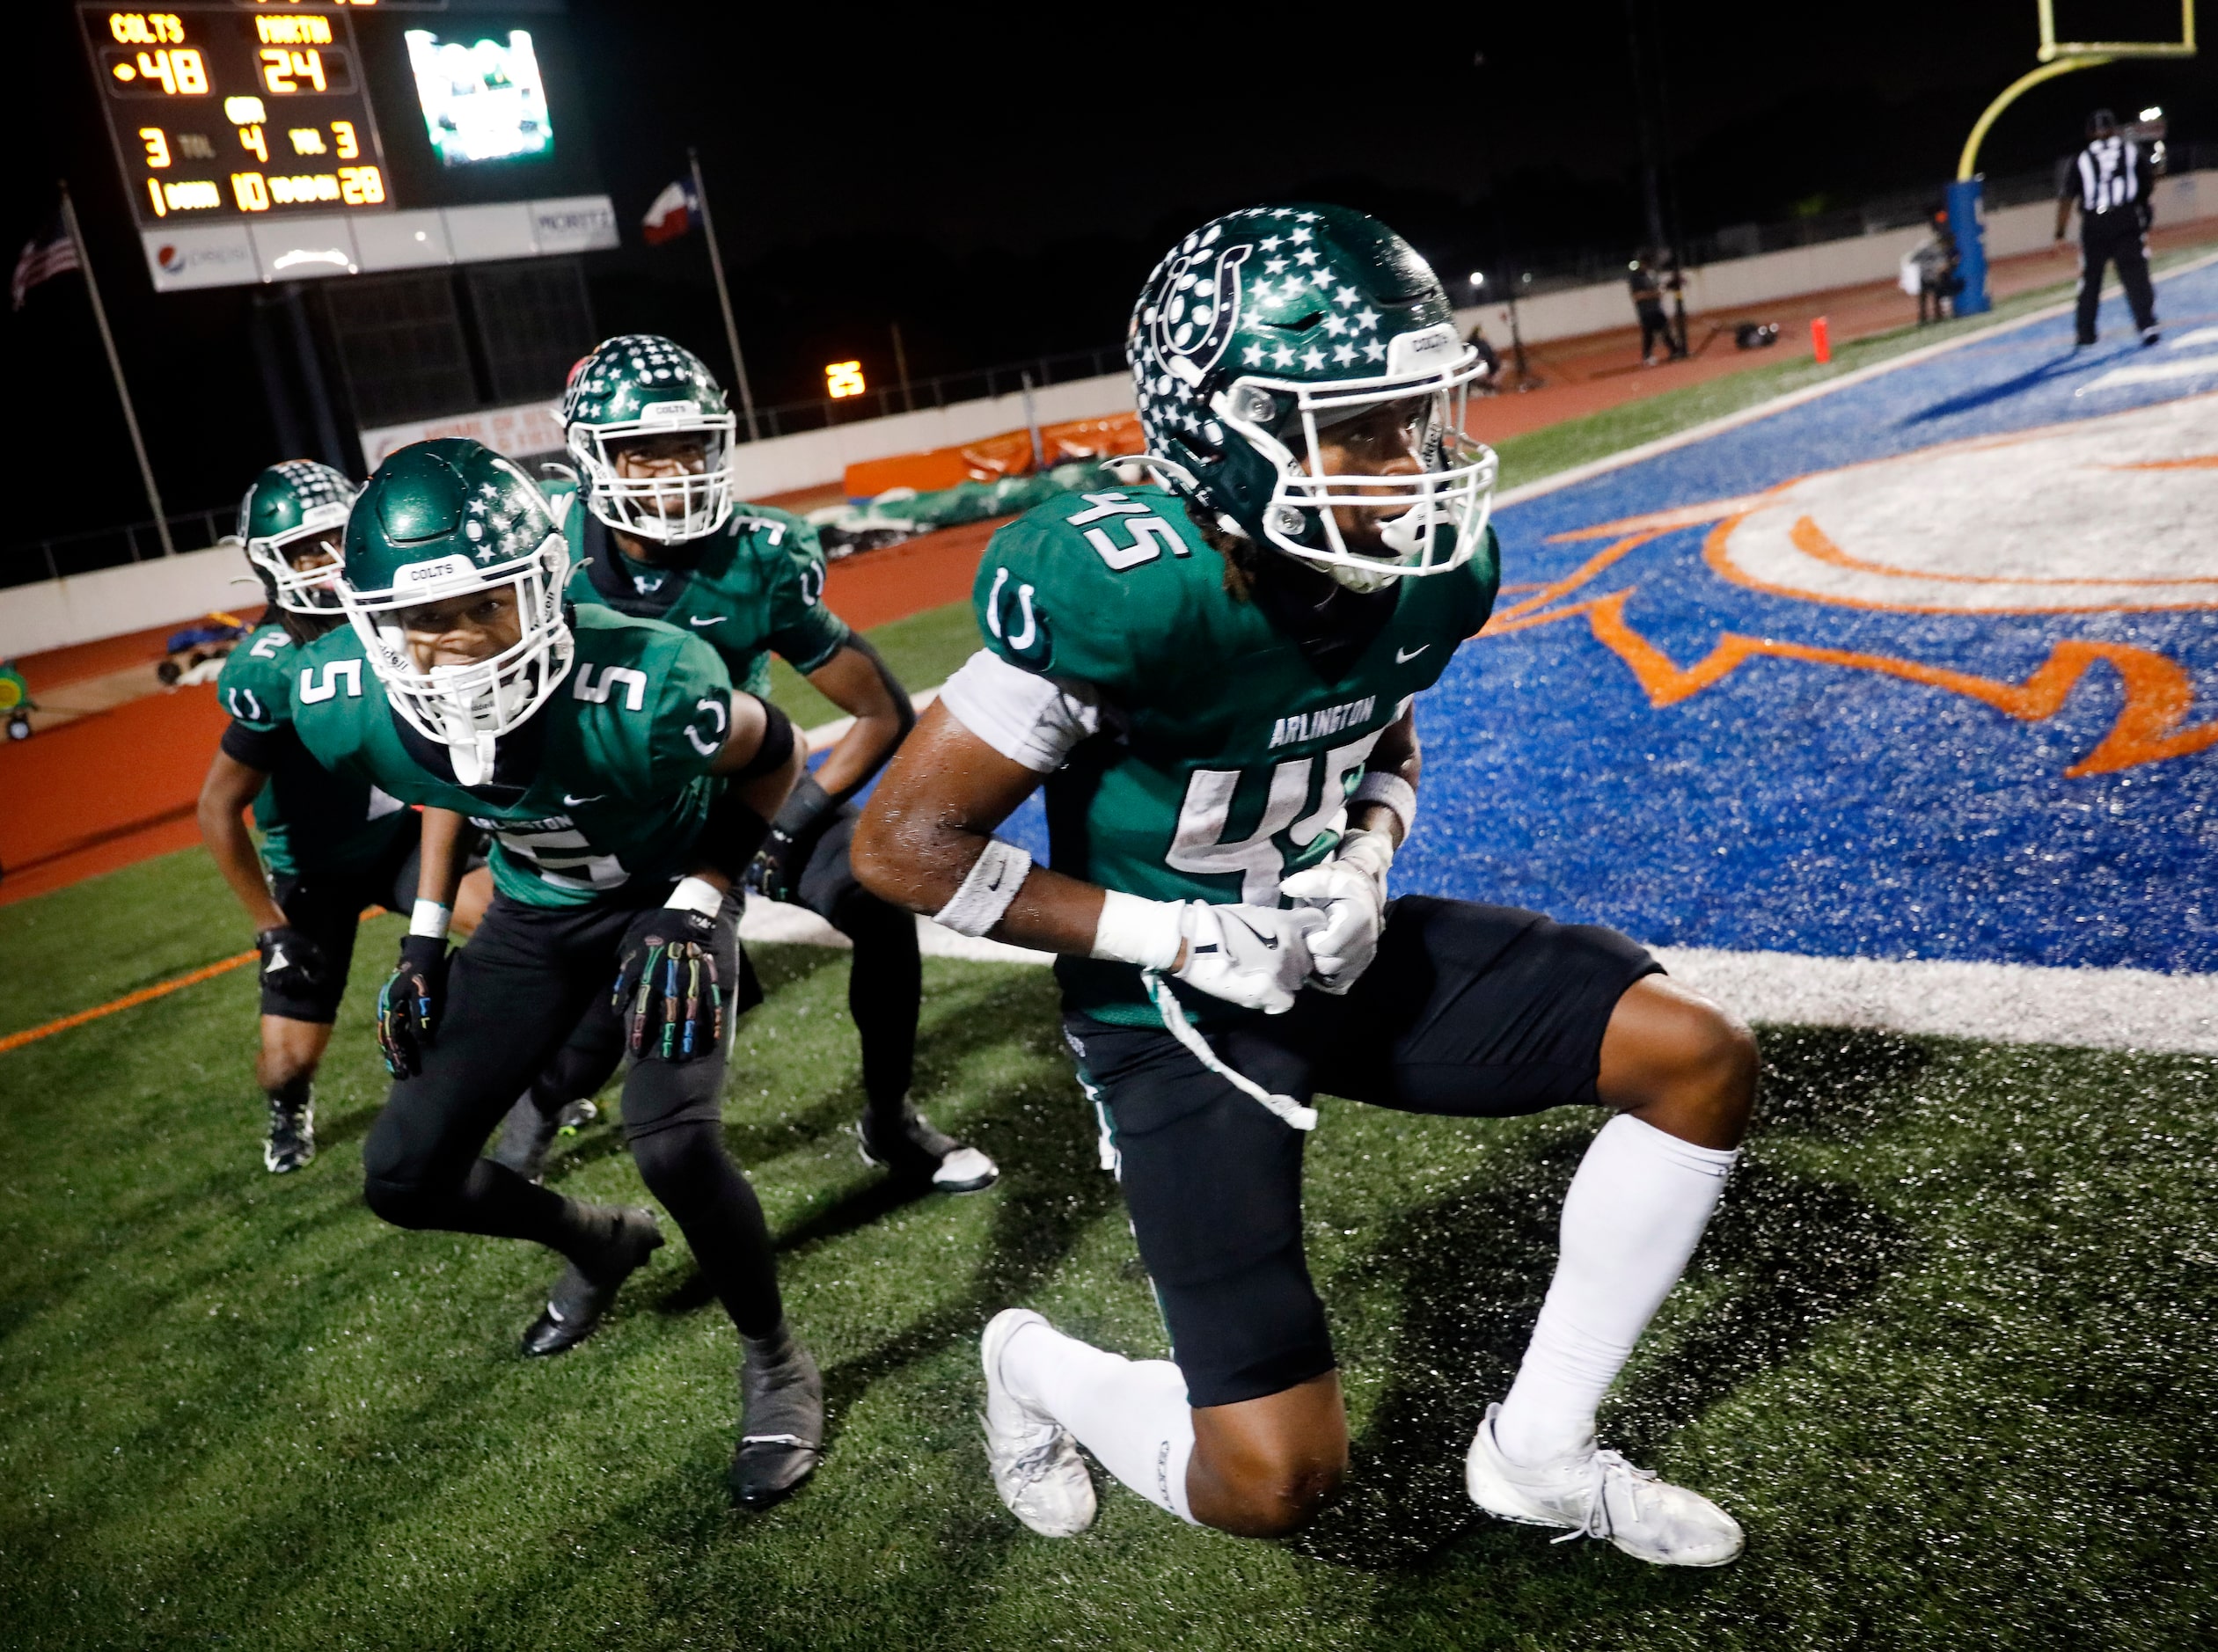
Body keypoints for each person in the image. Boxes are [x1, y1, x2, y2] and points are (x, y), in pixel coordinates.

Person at [853, 204, 1758, 1564]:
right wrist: (1178, 934)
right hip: (1168, 1003)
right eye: (1360, 430)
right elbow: (902, 847)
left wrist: (1366, 857)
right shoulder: (1126, 589)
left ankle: (1539, 1453)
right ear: (1227, 431)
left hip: (1327, 945)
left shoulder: (1426, 571)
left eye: (1416, 418)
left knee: (1695, 1056)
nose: (1409, 466)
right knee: (1272, 1482)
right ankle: (1032, 1363)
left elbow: (1380, 720)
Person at [291, 436, 823, 1508]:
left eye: (483, 606)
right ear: (372, 622)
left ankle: (775, 1358)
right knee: (403, 1174)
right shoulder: (345, 699)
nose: (451, 647)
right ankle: (595, 1239)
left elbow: (777, 755)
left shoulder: (649, 678)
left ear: (542, 584)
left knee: (671, 1140)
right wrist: (425, 933)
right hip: (534, 915)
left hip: (661, 900)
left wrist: (703, 895)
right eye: (421, 621)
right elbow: (435, 768)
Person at [485, 334, 995, 1195]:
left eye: (690, 447)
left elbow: (879, 711)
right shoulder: (540, 551)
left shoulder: (759, 552)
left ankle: (890, 1120)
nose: (672, 474)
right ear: (587, 458)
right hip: (623, 812)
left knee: (877, 898)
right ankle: (534, 1115)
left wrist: (789, 823)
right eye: (642, 453)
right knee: (623, 1004)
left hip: (747, 789)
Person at [198, 461, 491, 1173]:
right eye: (306, 550)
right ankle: (288, 1103)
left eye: (337, 538)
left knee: (504, 919)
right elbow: (216, 807)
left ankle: (537, 1068)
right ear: (269, 565)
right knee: (285, 1060)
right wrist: (270, 927)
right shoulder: (268, 668)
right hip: (314, 871)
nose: (328, 562)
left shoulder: (403, 615)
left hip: (399, 836)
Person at [2056, 108, 2159, 349]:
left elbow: (2067, 197)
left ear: (2090, 133)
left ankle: (2086, 333)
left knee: (2091, 279)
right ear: (2114, 129)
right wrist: (2141, 209)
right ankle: (2147, 324)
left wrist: (2060, 232)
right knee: (2135, 275)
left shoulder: (2081, 159)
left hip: (2095, 223)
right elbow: (2147, 183)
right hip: (2125, 217)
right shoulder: (2131, 152)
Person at [1628, 251, 1677, 365]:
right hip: (1646, 311)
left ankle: (1674, 350)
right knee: (1649, 332)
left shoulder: (1652, 274)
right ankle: (1647, 356)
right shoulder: (1636, 278)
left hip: (1657, 308)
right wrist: (1653, 294)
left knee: (1665, 329)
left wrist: (1664, 288)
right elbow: (1637, 296)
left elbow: (1659, 289)